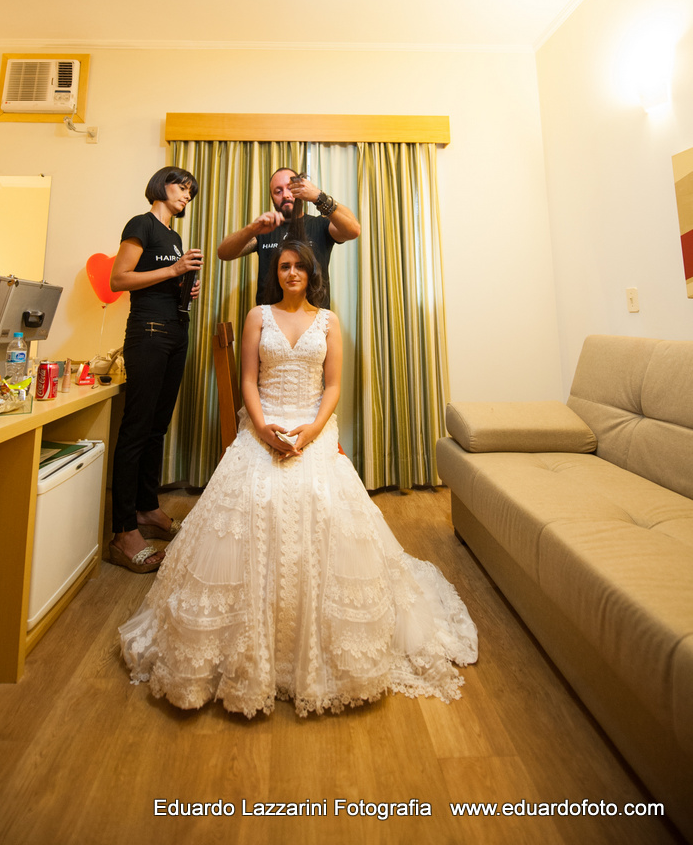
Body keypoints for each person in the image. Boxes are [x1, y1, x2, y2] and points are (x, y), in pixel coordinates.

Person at [119, 239, 477, 716]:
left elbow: (332, 386)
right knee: (255, 494)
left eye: (299, 267)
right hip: (264, 425)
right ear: (277, 272)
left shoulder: (328, 322)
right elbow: (248, 381)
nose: (291, 273)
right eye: (284, 266)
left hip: (312, 427)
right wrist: (264, 429)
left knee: (317, 495)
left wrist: (309, 433)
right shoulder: (257, 316)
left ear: (311, 274)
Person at [108, 166, 203, 574]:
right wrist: (174, 271)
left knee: (156, 427)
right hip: (147, 332)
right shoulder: (141, 224)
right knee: (136, 427)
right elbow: (118, 279)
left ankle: (147, 509)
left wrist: (186, 288)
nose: (187, 195)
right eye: (182, 187)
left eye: (191, 192)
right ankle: (123, 530)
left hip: (175, 331)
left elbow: (161, 280)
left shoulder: (175, 236)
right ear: (162, 186)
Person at [217, 167, 360, 305]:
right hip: (270, 321)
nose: (285, 195)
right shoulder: (264, 230)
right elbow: (224, 253)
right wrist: (251, 229)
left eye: (290, 188)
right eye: (278, 191)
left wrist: (318, 197)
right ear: (272, 198)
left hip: (315, 319)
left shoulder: (320, 225)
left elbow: (353, 230)